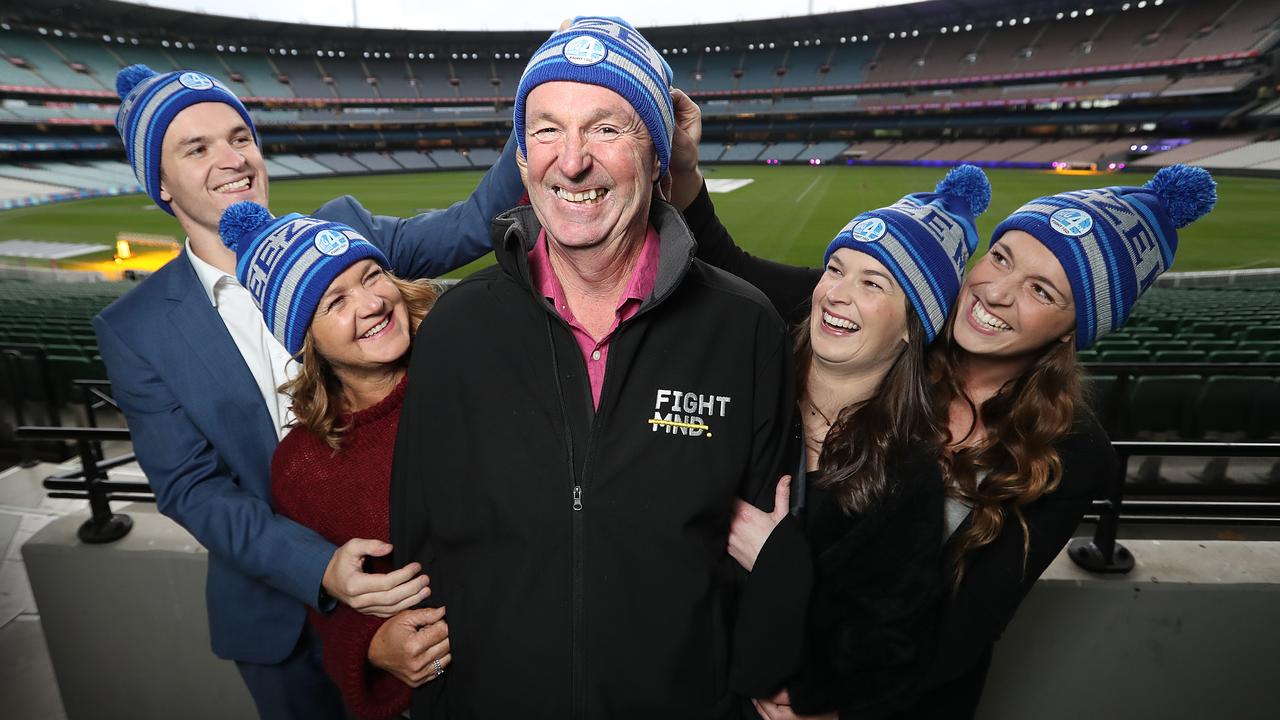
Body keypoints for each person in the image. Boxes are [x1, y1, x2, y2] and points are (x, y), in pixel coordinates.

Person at [389, 16, 793, 718]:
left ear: (660, 155)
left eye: (607, 128)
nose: (570, 161)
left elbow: (760, 582)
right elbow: (416, 546)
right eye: (545, 130)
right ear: (520, 160)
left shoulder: (745, 330)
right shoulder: (456, 330)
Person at [93, 64, 524, 718]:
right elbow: (189, 487)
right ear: (159, 181)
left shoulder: (342, 235)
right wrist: (319, 566)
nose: (232, 158)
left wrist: (542, 118)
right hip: (279, 625)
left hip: (416, 589)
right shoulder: (136, 329)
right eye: (197, 147)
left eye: (240, 136)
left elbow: (469, 225)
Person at [676, 164, 992, 719]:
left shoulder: (908, 474)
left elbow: (885, 655)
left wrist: (782, 563)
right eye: (835, 270)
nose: (836, 295)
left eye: (873, 283)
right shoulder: (740, 387)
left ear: (910, 327)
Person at [902, 164, 1217, 717]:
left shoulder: (1073, 449)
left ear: (1074, 329)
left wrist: (825, 705)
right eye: (1001, 257)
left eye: (1041, 290)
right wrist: (689, 172)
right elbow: (738, 274)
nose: (995, 293)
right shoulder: (894, 336)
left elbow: (968, 625)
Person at [214, 201, 446, 719]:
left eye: (372, 276)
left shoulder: (469, 363)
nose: (371, 303)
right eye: (336, 301)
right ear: (306, 341)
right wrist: (371, 644)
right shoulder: (302, 468)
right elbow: (336, 607)